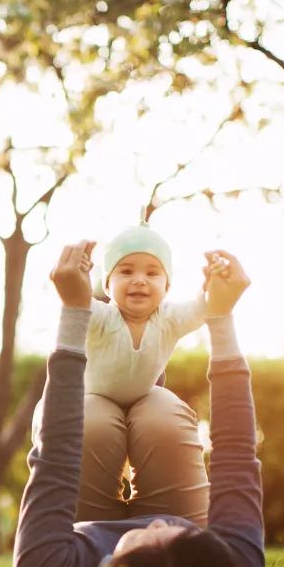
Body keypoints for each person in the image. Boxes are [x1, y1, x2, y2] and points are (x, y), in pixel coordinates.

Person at [13, 240, 264, 567]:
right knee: (159, 411)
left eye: (165, 537)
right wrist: (221, 317)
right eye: (181, 535)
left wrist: (73, 312)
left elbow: (54, 457)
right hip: (161, 442)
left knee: (93, 419)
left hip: (80, 515)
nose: (160, 522)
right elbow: (237, 454)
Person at [77, 223, 215, 525]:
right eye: (126, 272)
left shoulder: (168, 319)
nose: (139, 280)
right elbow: (77, 305)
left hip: (143, 403)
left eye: (152, 273)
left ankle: (164, 523)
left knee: (161, 417)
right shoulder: (102, 318)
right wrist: (78, 279)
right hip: (94, 400)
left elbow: (200, 310)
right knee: (94, 425)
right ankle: (95, 522)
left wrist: (209, 288)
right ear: (108, 283)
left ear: (167, 285)